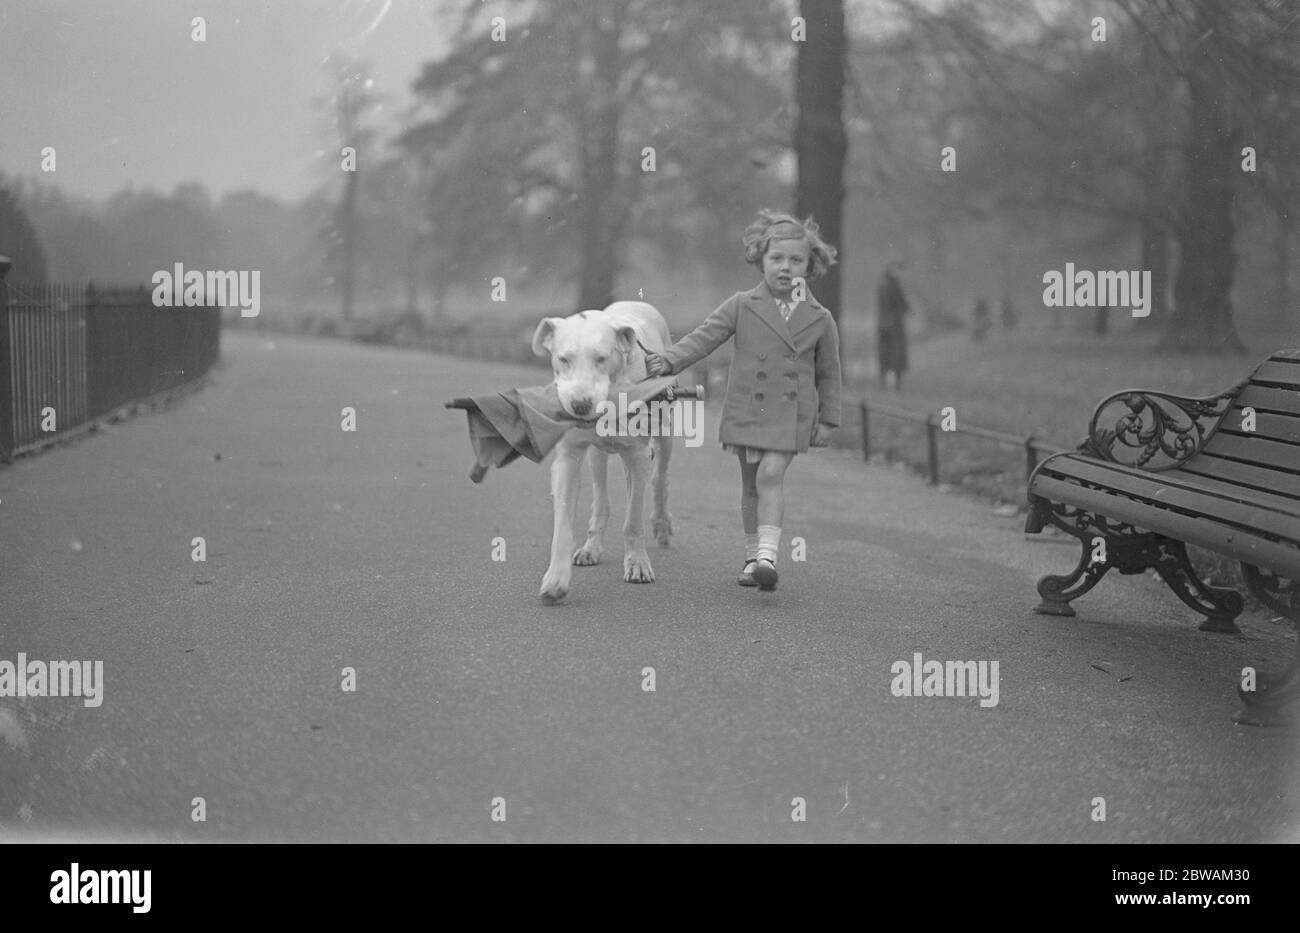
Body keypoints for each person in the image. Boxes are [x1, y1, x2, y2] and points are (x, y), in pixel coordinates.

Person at [645, 209, 841, 591]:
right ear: (761, 260)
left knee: (770, 475)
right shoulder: (741, 304)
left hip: (791, 415)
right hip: (748, 410)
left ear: (810, 264)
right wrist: (669, 359)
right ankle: (753, 559)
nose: (786, 268)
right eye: (776, 259)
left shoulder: (820, 318)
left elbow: (830, 373)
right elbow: (705, 336)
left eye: (796, 260)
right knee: (751, 485)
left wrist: (829, 420)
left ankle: (768, 556)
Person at [877, 260, 910, 391]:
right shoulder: (893, 284)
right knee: (896, 355)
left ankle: (883, 383)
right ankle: (896, 384)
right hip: (894, 324)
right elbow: (901, 303)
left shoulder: (881, 284)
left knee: (884, 354)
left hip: (882, 324)